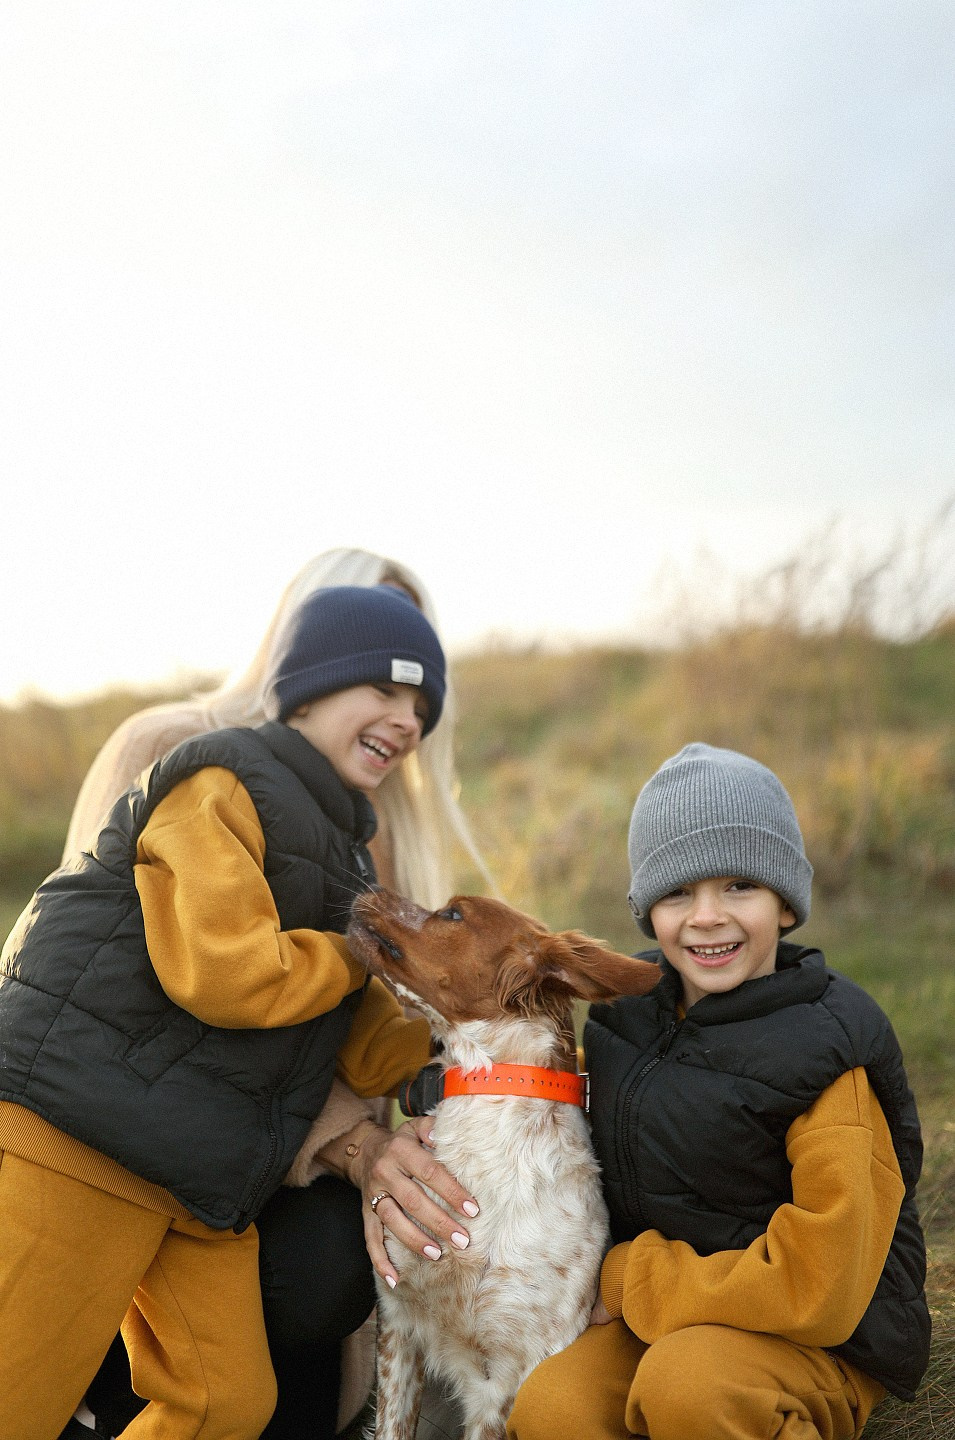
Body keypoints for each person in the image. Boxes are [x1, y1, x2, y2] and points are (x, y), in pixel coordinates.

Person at [0, 584, 479, 1440]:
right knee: (17, 1396)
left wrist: (470, 1040)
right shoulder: (220, 778)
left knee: (224, 1402)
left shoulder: (347, 863)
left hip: (196, 1177)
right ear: (306, 688)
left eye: (421, 707)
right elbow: (227, 972)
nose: (406, 720)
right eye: (383, 690)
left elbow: (365, 1045)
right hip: (79, 1137)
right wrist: (355, 955)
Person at [507, 742, 931, 1440]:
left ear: (786, 906)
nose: (706, 916)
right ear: (648, 911)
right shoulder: (625, 1017)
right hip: (671, 1319)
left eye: (739, 886)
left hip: (816, 1334)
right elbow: (546, 1096)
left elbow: (819, 1290)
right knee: (552, 1405)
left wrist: (624, 1280)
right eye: (677, 892)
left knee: (689, 1387)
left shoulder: (828, 1055)